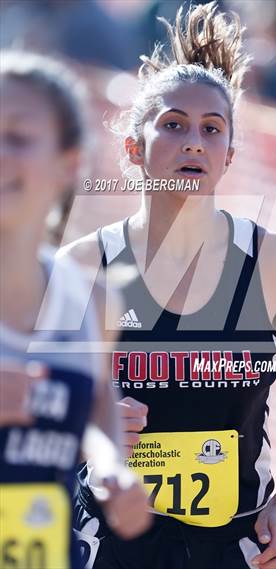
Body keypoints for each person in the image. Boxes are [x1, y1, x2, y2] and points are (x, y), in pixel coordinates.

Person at [63, 3, 276, 568]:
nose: (193, 141)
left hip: (235, 548)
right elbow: (33, 410)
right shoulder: (85, 265)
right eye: (172, 124)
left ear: (229, 155)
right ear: (133, 147)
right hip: (108, 544)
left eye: (211, 129)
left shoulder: (273, 263)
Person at [0, 51, 151, 569]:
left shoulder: (94, 301)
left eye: (17, 137)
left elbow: (95, 403)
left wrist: (112, 466)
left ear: (67, 165)